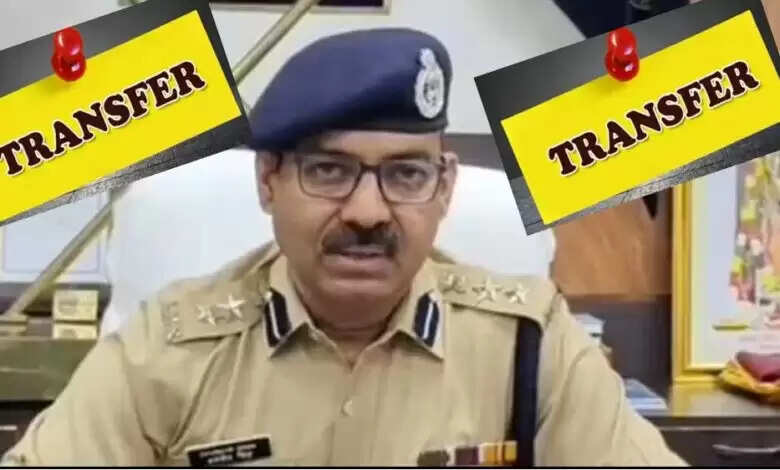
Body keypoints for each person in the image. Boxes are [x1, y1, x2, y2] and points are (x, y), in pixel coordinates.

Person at [1, 28, 685, 467]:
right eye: (328, 171)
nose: (367, 212)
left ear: (444, 188)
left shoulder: (529, 342)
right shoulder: (166, 350)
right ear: (268, 182)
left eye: (405, 175)